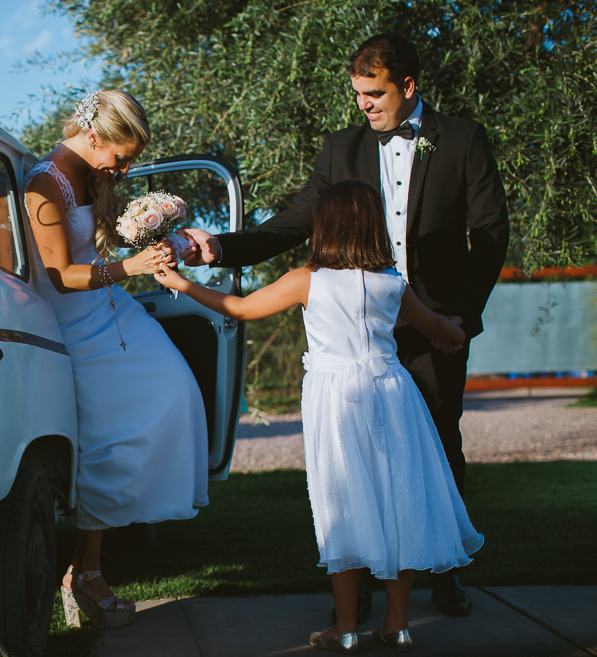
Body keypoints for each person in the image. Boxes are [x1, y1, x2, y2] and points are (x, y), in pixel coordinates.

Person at [180, 32, 508, 617]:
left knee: (437, 444)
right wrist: (219, 249)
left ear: (408, 87)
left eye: (375, 93)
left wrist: (461, 313)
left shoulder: (462, 139)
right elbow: (292, 223)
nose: (364, 105)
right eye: (357, 93)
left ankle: (445, 568)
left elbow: (489, 233)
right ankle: (356, 593)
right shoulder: (340, 150)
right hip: (359, 334)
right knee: (355, 460)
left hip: (431, 322)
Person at [156, 179, 484, 653]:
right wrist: (454, 333)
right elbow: (436, 326)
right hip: (393, 395)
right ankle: (397, 624)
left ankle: (345, 627)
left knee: (343, 505)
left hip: (336, 401)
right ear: (373, 227)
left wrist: (182, 284)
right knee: (400, 502)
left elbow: (241, 308)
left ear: (324, 227)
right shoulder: (392, 283)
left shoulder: (307, 279)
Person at [24, 90, 209, 630]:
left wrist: (153, 235)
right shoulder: (43, 183)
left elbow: (97, 250)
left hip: (108, 309)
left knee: (176, 388)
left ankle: (86, 570)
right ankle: (85, 573)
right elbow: (59, 274)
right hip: (70, 318)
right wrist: (130, 268)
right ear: (94, 136)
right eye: (120, 156)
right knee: (109, 439)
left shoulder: (89, 172)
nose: (123, 168)